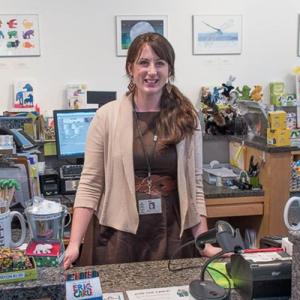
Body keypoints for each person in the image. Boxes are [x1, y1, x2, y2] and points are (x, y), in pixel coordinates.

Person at [63, 32, 222, 270]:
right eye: (144, 63)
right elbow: (90, 183)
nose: (152, 71)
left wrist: (204, 243)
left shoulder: (187, 118)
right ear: (130, 68)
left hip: (172, 231)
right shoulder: (106, 117)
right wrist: (75, 244)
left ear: (170, 69)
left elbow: (195, 185)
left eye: (160, 63)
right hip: (120, 235)